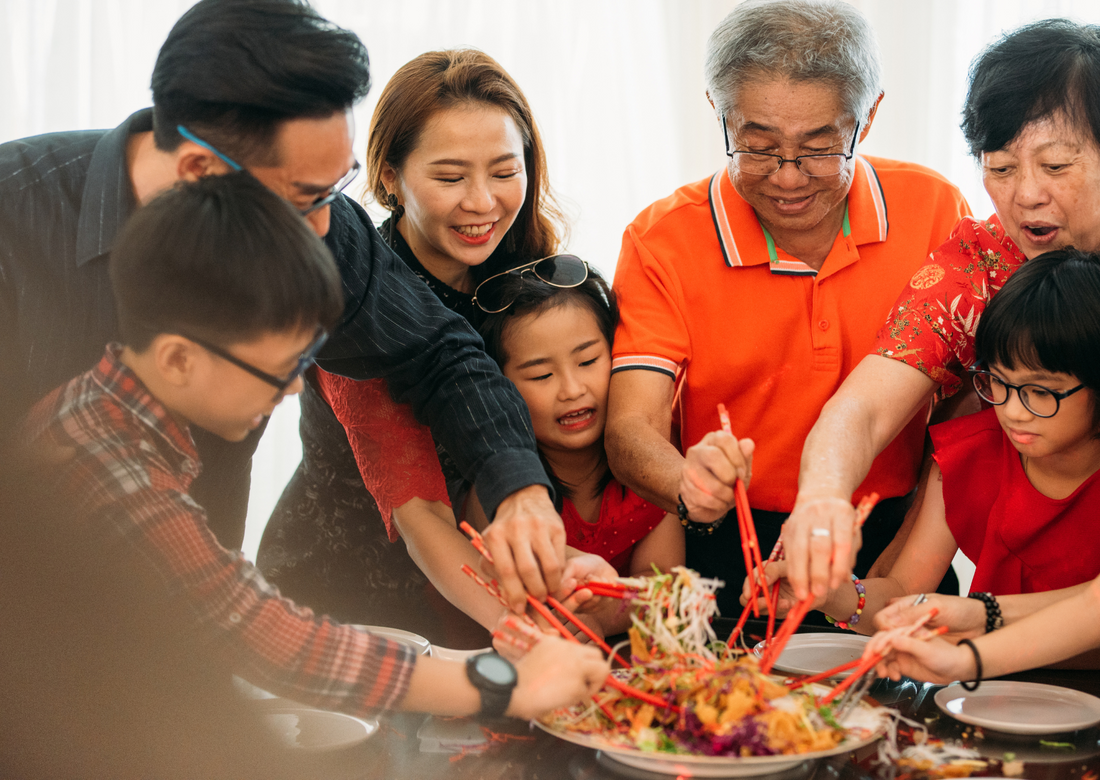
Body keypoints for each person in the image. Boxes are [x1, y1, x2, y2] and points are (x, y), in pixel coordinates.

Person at [0, 0, 565, 609]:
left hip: (198, 613)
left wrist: (520, 492)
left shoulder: (318, 219)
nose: (325, 227)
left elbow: (440, 350)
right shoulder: (17, 220)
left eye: (337, 185)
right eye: (306, 196)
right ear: (199, 169)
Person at [18, 174, 608, 723]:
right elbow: (264, 635)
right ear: (177, 358)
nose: (295, 386)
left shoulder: (109, 411)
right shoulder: (103, 461)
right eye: (278, 368)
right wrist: (506, 686)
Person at [604, 0, 969, 617]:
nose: (789, 178)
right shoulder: (662, 239)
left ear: (869, 116)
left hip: (889, 542)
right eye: (759, 147)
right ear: (719, 114)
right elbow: (629, 430)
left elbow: (965, 408)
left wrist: (906, 564)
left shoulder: (935, 209)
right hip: (726, 550)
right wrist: (688, 487)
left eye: (821, 148)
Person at [258, 49, 576, 640]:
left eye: (504, 172)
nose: (482, 202)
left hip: (485, 583)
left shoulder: (529, 280)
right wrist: (541, 634)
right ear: (388, 177)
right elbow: (422, 515)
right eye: (451, 178)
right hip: (351, 601)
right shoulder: (357, 294)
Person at [783, 19, 1100, 603]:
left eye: (1056, 166)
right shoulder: (974, 268)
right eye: (1000, 167)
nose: (1025, 194)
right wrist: (822, 499)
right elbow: (864, 408)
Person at [755, 249, 1100, 638]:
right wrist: (831, 595)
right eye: (999, 382)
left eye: (1040, 391)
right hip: (987, 689)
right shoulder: (970, 457)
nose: (1014, 411)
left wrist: (976, 616)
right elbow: (903, 592)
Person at [470, 264, 685, 635]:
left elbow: (666, 597)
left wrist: (602, 613)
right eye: (541, 375)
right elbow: (517, 609)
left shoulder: (650, 467)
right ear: (499, 387)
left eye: (587, 361)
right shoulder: (498, 493)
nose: (571, 389)